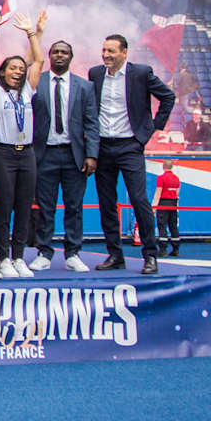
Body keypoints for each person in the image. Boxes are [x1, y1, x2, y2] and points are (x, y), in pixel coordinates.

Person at [89, 34, 175, 274]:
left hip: (130, 146)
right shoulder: (95, 74)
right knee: (107, 203)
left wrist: (153, 128)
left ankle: (150, 255)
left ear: (124, 52)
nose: (106, 55)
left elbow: (168, 97)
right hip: (103, 147)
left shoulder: (141, 72)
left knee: (139, 200)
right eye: (104, 50)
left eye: (111, 51)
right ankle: (114, 255)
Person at [29, 39, 99, 273]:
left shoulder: (84, 87)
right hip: (44, 153)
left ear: (71, 57)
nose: (60, 56)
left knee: (74, 206)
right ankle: (44, 252)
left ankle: (73, 253)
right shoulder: (38, 81)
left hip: (73, 154)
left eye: (64, 52)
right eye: (55, 52)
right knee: (45, 207)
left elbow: (91, 122)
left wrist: (92, 155)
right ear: (49, 56)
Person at [0, 10, 43, 278]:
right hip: (2, 154)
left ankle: (19, 256)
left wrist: (32, 33)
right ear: (3, 72)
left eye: (21, 69)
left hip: (26, 154)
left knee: (23, 206)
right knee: (3, 207)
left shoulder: (27, 91)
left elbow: (39, 59)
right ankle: (2, 256)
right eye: (13, 68)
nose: (18, 72)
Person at [152, 158, 181, 257]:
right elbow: (177, 193)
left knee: (162, 225)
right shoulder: (176, 178)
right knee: (173, 225)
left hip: (163, 203)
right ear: (172, 166)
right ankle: (176, 249)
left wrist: (154, 206)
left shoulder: (161, 178)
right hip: (173, 203)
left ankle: (163, 250)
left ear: (163, 166)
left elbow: (158, 192)